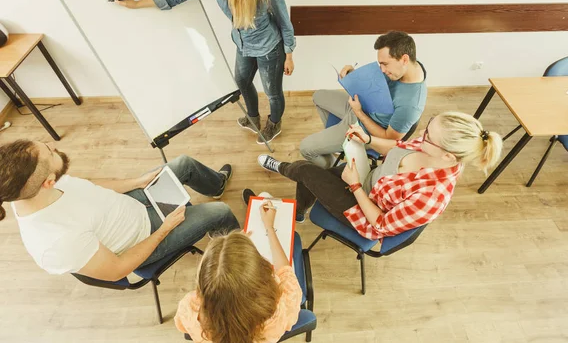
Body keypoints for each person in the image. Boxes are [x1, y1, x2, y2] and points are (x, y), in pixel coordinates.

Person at [114, 0, 296, 144]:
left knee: (273, 92)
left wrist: (289, 54)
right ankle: (253, 117)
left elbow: (284, 22)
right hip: (242, 45)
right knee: (241, 80)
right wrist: (136, 3)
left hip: (270, 50)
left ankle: (275, 123)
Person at [0, 140, 239, 280]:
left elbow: (90, 188)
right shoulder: (54, 243)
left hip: (134, 203)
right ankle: (244, 259)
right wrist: (164, 229)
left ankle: (216, 184)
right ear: (48, 182)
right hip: (145, 238)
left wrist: (136, 183)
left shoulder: (33, 184)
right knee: (220, 212)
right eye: (50, 152)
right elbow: (117, 270)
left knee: (184, 164)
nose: (53, 146)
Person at [251, 112, 502, 234]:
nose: (421, 135)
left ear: (447, 156)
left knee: (307, 170)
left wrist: (356, 187)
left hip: (364, 209)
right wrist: (368, 139)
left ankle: (282, 168)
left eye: (428, 136)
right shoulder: (431, 147)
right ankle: (300, 211)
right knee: (312, 175)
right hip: (368, 177)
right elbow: (398, 147)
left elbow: (381, 224)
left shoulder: (431, 197)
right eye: (427, 128)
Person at [174, 199, 302, 343]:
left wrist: (236, 250)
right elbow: (286, 271)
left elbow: (182, 326)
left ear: (203, 281)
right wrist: (269, 228)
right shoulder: (280, 309)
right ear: (263, 272)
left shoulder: (189, 309)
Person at [300, 31, 427, 168]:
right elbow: (378, 82)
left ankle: (334, 169)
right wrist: (353, 75)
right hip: (364, 106)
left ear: (404, 59)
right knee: (318, 96)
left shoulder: (410, 106)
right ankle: (336, 145)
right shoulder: (412, 66)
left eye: (385, 64)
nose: (382, 70)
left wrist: (359, 112)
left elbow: (388, 138)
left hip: (362, 127)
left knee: (306, 149)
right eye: (380, 65)